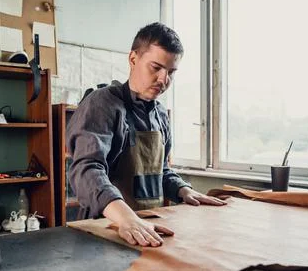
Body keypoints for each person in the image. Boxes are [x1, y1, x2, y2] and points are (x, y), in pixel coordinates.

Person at [67, 22, 226, 247]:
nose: (164, 80)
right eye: (156, 67)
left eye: (171, 72)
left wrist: (183, 190)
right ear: (133, 59)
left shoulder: (160, 114)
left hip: (150, 230)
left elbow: (161, 171)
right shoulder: (101, 104)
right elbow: (86, 170)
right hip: (106, 229)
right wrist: (126, 218)